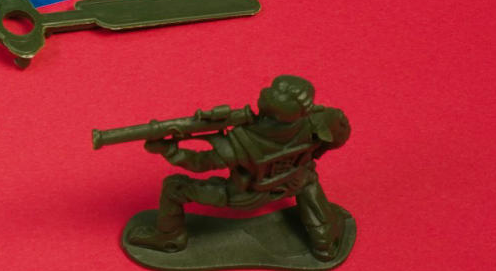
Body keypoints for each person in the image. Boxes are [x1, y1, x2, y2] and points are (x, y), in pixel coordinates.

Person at [130, 74, 352, 259]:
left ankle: (169, 237)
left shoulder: (241, 141)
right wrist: (315, 154)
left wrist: (169, 151)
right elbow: (341, 133)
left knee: (174, 187)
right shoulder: (320, 121)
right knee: (308, 178)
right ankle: (324, 240)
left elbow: (199, 163)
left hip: (245, 196)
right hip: (295, 182)